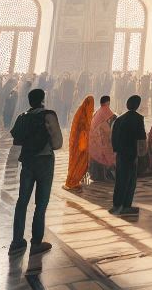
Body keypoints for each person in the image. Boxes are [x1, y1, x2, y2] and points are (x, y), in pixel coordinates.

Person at [9, 88, 63, 256]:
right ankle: (37, 242)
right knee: (41, 203)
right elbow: (57, 143)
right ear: (43, 99)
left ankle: (16, 241)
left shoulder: (23, 116)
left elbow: (16, 139)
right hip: (44, 161)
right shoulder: (48, 115)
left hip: (27, 161)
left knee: (22, 201)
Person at [111, 94, 146, 217]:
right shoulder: (138, 119)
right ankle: (126, 205)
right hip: (132, 154)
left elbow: (113, 137)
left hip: (121, 154)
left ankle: (116, 204)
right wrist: (142, 156)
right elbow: (142, 139)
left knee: (120, 179)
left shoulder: (119, 119)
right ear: (137, 106)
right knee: (130, 181)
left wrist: (116, 150)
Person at [63, 95, 95, 191]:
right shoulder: (82, 116)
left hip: (81, 144)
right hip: (79, 145)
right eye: (91, 106)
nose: (92, 109)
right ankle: (71, 182)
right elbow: (81, 131)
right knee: (76, 163)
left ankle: (75, 182)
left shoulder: (83, 113)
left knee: (79, 164)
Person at [89, 96, 116, 181]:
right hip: (99, 141)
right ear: (108, 102)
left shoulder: (98, 111)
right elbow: (113, 122)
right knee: (111, 150)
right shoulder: (106, 110)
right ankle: (110, 172)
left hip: (93, 141)